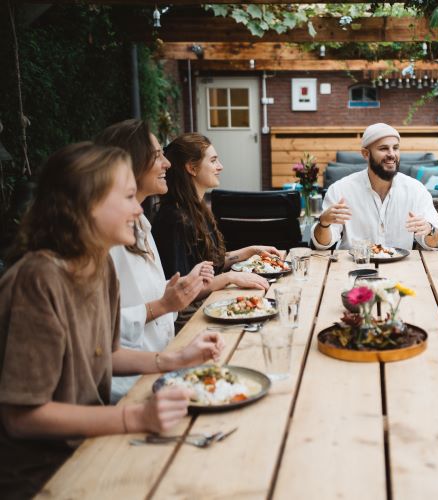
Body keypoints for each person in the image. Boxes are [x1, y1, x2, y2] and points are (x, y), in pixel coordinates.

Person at [0, 143, 225, 499]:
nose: (138, 209)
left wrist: (173, 360)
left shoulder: (99, 265)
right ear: (86, 205)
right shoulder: (37, 280)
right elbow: (23, 416)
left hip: (94, 443)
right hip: (45, 474)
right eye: (128, 197)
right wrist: (133, 419)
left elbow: (108, 353)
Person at [95, 120, 214, 402]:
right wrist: (163, 304)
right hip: (129, 389)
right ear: (131, 163)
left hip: (163, 367)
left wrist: (180, 290)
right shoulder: (102, 241)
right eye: (158, 155)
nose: (167, 164)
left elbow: (150, 303)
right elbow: (96, 331)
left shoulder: (141, 224)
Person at [152, 133, 278, 303]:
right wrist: (229, 278)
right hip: (190, 317)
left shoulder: (197, 209)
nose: (220, 167)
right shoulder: (174, 219)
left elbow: (213, 264)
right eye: (213, 161)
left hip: (212, 301)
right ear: (192, 168)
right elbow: (182, 290)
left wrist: (250, 251)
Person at [311, 123, 438, 250]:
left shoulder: (415, 190)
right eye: (383, 148)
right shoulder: (340, 190)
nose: (392, 154)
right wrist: (324, 223)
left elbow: (435, 242)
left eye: (395, 148)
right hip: (353, 268)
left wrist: (430, 230)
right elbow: (323, 244)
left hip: (401, 270)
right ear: (365, 154)